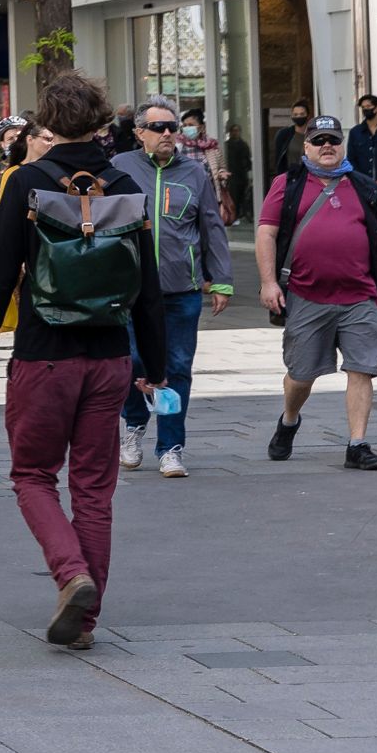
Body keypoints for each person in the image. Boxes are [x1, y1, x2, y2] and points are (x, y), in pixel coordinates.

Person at [0, 71, 169, 650]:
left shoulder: (24, 182)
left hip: (44, 355)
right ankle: (86, 618)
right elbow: (147, 285)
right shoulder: (126, 183)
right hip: (108, 355)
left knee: (32, 475)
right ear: (102, 121)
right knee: (95, 489)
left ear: (46, 120)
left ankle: (69, 573)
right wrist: (155, 363)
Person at [256, 114, 377, 471]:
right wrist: (268, 283)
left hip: (360, 296)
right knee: (301, 375)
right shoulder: (288, 184)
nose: (327, 146)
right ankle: (289, 420)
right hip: (307, 295)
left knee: (363, 368)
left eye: (333, 140)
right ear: (306, 147)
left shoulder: (364, 186)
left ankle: (357, 444)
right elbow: (266, 233)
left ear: (342, 144)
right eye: (319, 140)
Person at [108, 95, 234, 476]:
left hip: (182, 290)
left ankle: (171, 447)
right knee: (131, 362)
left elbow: (211, 224)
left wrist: (222, 280)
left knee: (177, 367)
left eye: (172, 127)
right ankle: (133, 425)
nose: (168, 134)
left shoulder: (194, 172)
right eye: (159, 128)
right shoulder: (119, 167)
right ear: (139, 132)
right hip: (130, 290)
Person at [349, 93, 377, 183]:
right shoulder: (355, 132)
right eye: (363, 107)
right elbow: (351, 159)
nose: (365, 109)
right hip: (363, 185)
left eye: (368, 106)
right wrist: (360, 179)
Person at [220, 118, 256, 227]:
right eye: (233, 130)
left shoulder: (243, 145)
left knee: (241, 197)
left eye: (237, 130)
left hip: (241, 175)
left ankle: (241, 214)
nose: (235, 133)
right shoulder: (226, 145)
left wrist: (248, 173)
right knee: (233, 197)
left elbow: (248, 160)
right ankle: (233, 216)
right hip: (230, 175)